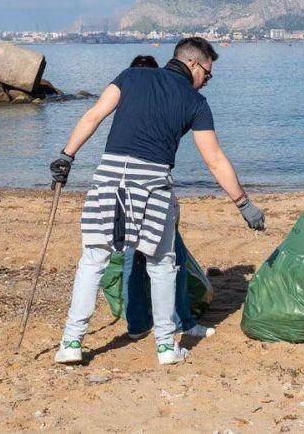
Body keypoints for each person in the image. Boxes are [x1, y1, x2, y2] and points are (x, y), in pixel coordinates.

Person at [49, 37, 266, 366]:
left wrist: (66, 156)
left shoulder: (132, 76)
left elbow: (93, 116)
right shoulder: (195, 103)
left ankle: (71, 343)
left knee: (93, 260)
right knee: (162, 264)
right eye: (208, 74)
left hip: (109, 176)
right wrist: (243, 204)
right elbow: (215, 160)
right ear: (193, 64)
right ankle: (166, 347)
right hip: (152, 183)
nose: (207, 81)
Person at [118, 55, 214, 341]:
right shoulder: (168, 99)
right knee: (173, 260)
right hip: (151, 190)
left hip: (123, 186)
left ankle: (137, 324)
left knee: (132, 260)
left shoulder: (128, 103)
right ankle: (180, 323)